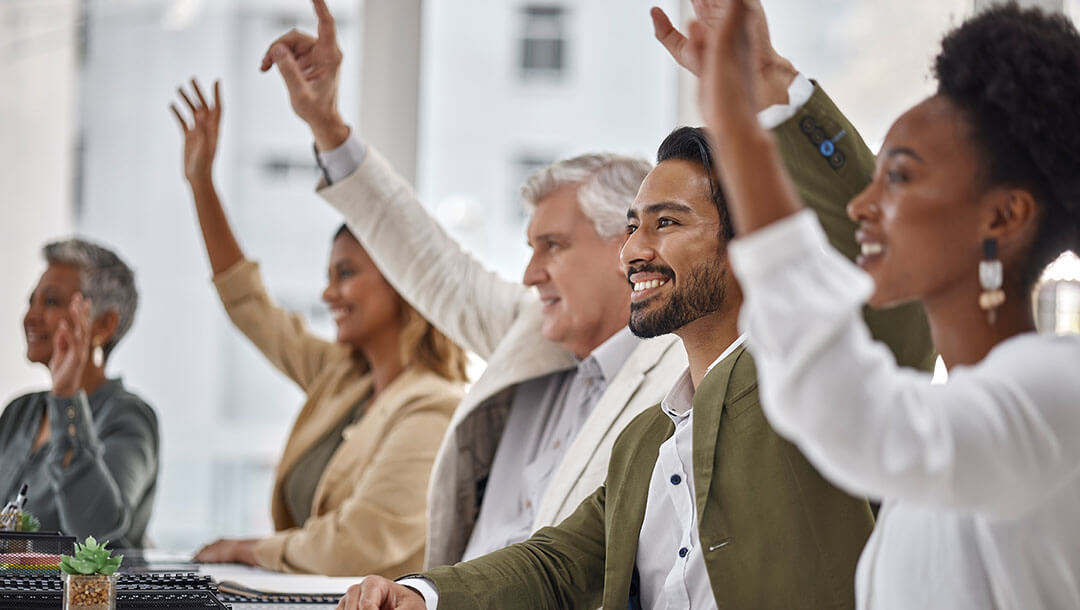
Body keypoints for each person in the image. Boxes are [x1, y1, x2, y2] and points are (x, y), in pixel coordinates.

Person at [329, 2, 938, 607]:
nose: (632, 253)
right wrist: (422, 594)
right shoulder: (642, 442)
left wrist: (772, 84)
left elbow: (877, 261)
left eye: (666, 222)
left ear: (747, 240)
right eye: (631, 227)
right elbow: (556, 567)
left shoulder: (814, 381)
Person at [261, 0, 689, 570]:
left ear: (626, 244)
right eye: (530, 248)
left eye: (553, 247)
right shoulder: (532, 330)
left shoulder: (681, 376)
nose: (530, 273)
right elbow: (432, 263)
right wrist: (328, 129)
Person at [696, 2, 1080, 609]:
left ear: (1004, 216)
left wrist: (741, 139)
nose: (860, 206)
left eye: (898, 177)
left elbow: (852, 412)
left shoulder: (1061, 391)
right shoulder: (953, 419)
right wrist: (770, 91)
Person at [170, 79, 468, 577]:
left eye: (345, 275)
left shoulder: (434, 407)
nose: (328, 294)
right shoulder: (342, 377)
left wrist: (250, 550)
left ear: (400, 283)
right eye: (328, 277)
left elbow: (355, 547)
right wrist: (201, 184)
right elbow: (250, 306)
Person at [0, 239, 158, 549]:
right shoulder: (20, 412)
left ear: (104, 324)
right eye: (31, 302)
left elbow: (95, 531)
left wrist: (66, 400)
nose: (30, 317)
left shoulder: (127, 417)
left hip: (86, 598)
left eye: (51, 302)